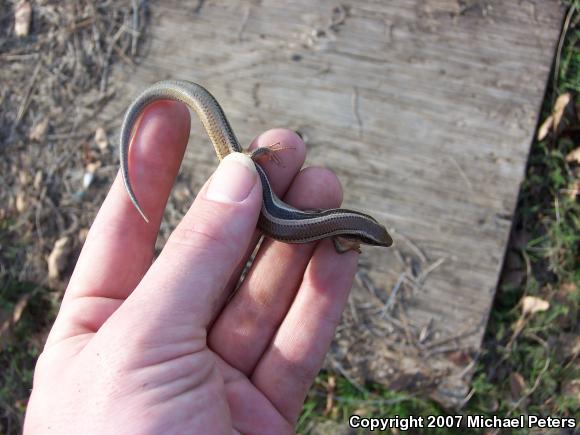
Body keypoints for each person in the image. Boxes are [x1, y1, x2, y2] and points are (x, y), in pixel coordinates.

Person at [24, 101, 359, 434]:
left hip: (267, 196)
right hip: (259, 193)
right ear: (355, 232)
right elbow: (338, 241)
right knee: (243, 165)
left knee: (249, 165)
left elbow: (337, 237)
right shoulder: (336, 232)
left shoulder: (336, 228)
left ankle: (250, 158)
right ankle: (248, 159)